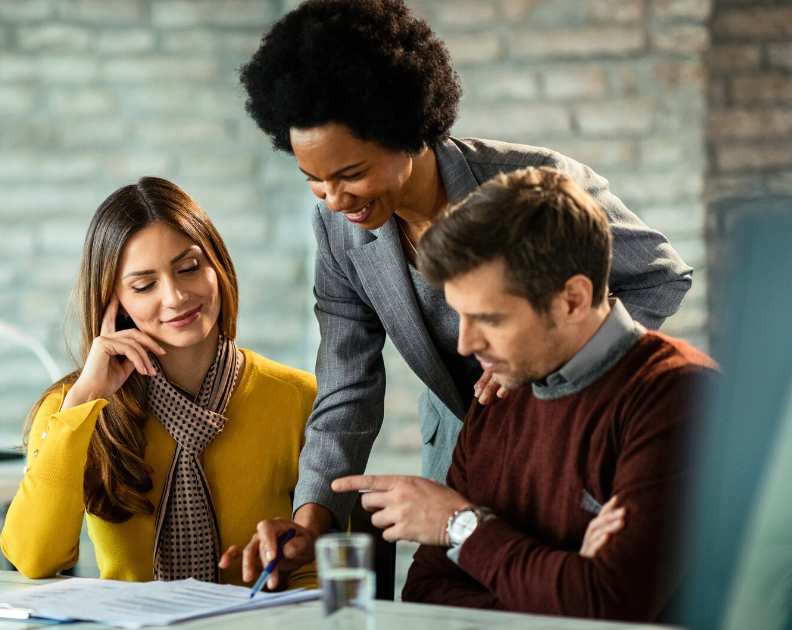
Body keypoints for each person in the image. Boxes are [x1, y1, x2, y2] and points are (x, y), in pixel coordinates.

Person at [229, 0, 693, 583]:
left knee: (555, 592)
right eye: (313, 180)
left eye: (349, 174)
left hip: (561, 439)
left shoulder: (533, 185)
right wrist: (313, 517)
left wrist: (548, 362)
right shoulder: (337, 229)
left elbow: (660, 275)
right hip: (460, 454)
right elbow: (348, 383)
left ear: (407, 133)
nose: (333, 198)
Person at [326, 167, 716, 620]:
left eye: (490, 319)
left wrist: (461, 525)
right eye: (460, 316)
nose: (465, 346)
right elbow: (425, 594)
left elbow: (607, 608)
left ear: (572, 299)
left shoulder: (680, 396)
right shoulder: (497, 398)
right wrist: (563, 582)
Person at [0, 177, 317, 589]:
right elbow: (34, 557)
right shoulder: (73, 407)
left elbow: (322, 564)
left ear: (217, 266)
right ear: (115, 302)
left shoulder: (296, 397)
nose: (175, 296)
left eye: (189, 268)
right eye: (144, 285)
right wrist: (85, 399)